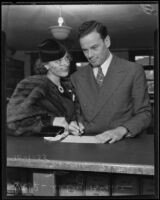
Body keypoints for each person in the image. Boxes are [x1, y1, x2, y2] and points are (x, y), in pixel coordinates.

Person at [70, 20, 152, 143]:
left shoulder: (133, 70)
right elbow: (78, 114)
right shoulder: (76, 77)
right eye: (85, 50)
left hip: (122, 143)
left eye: (94, 47)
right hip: (89, 143)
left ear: (107, 41)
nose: (89, 55)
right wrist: (76, 124)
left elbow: (144, 114)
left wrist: (121, 130)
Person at [7, 38, 77, 136]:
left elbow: (65, 118)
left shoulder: (67, 88)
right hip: (36, 147)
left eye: (66, 58)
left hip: (60, 146)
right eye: (58, 61)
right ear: (46, 65)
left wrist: (71, 124)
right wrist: (49, 121)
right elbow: (12, 123)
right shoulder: (33, 84)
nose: (66, 63)